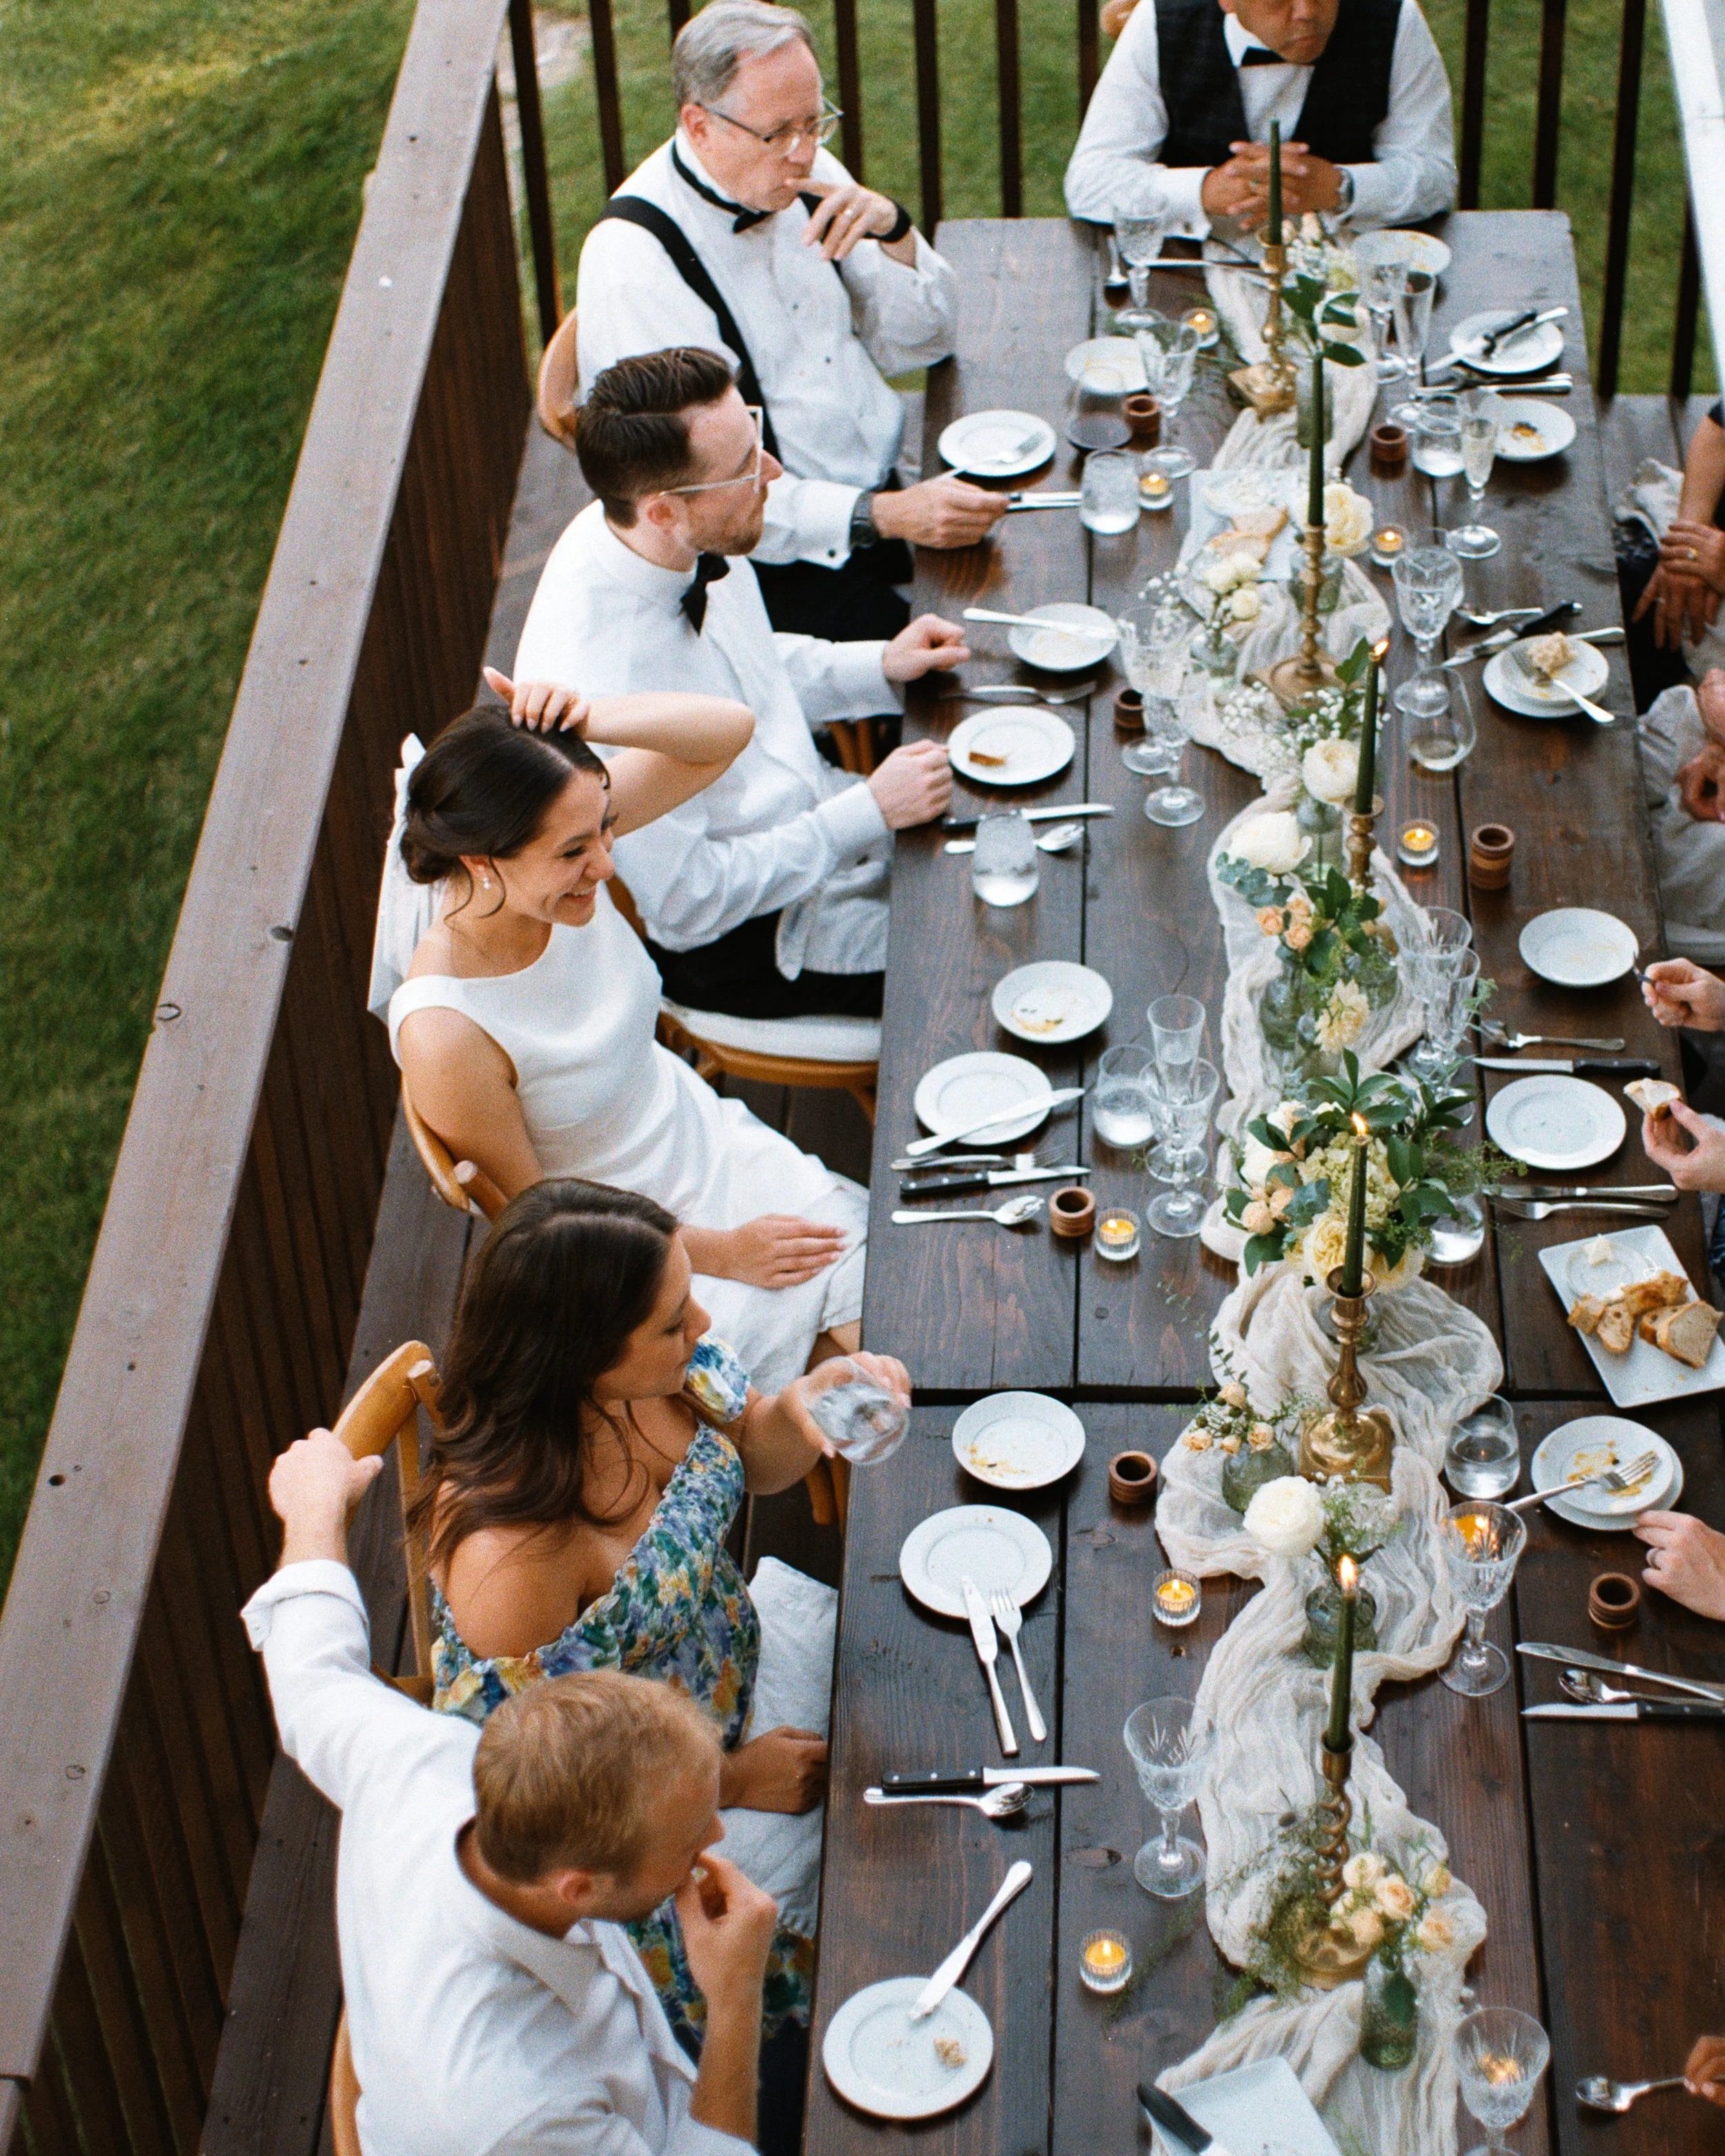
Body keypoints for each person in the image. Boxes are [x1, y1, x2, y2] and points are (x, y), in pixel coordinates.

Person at [414, 1180, 908, 2108]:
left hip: (737, 1679)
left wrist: (804, 1406)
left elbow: (752, 1455)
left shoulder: (666, 1370)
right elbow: (540, 1799)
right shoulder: (510, 1560)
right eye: (674, 1322)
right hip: (643, 1814)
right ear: (584, 1359)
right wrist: (731, 1782)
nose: (705, 1322)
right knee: (891, 1903)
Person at [241, 1424, 780, 2156]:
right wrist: (735, 2001)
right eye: (691, 1837)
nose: (715, 1838)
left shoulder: (430, 1755)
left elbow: (312, 1677)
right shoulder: (517, 2112)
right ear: (579, 1888)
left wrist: (313, 1504)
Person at [371, 693, 870, 1391]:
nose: (606, 864)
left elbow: (727, 732)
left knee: (904, 1313)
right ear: (484, 860)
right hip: (633, 1257)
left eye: (606, 830)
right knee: (873, 1376)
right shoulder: (446, 1033)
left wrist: (591, 719)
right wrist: (722, 1253)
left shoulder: (562, 852)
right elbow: (542, 1221)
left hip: (718, 1142)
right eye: (575, 850)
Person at [512, 347, 964, 1020]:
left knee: (1013, 844)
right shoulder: (600, 677)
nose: (773, 474)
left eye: (757, 445)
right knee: (976, 966)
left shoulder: (661, 535)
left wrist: (877, 666)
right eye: (746, 468)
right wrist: (867, 811)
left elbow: (749, 665)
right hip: (756, 936)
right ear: (663, 510)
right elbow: (686, 906)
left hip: (823, 813)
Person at [575, 0, 1005, 641]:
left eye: (815, 123)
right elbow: (702, 495)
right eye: (777, 134)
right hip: (766, 568)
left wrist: (896, 235)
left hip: (896, 485)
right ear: (699, 125)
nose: (804, 154)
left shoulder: (806, 173)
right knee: (974, 661)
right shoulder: (636, 265)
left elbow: (925, 343)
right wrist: (882, 515)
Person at [1063, 0, 1457, 237]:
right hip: (1192, 272)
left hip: (1347, 269)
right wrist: (1205, 191)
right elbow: (1090, 182)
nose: (1306, 13)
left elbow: (1436, 176)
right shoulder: (1160, 18)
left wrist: (1342, 187)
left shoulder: (1394, 16)